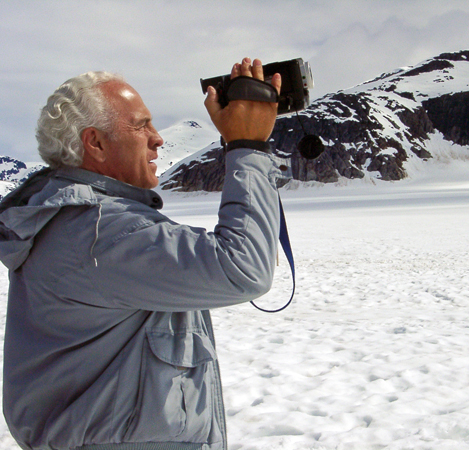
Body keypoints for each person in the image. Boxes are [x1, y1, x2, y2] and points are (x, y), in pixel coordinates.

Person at [0, 58, 284, 450]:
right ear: (95, 143)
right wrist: (247, 147)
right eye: (141, 125)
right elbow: (242, 267)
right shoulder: (101, 230)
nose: (158, 138)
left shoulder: (77, 223)